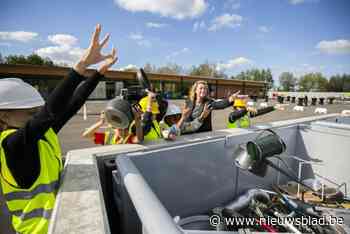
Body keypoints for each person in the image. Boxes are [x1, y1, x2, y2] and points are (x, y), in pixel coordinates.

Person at [0, 24, 117, 234]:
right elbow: (49, 112)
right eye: (29, 112)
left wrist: (98, 73)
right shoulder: (11, 145)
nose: (36, 115)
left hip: (59, 223)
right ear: (4, 116)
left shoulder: (41, 135)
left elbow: (73, 103)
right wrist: (81, 65)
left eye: (36, 110)